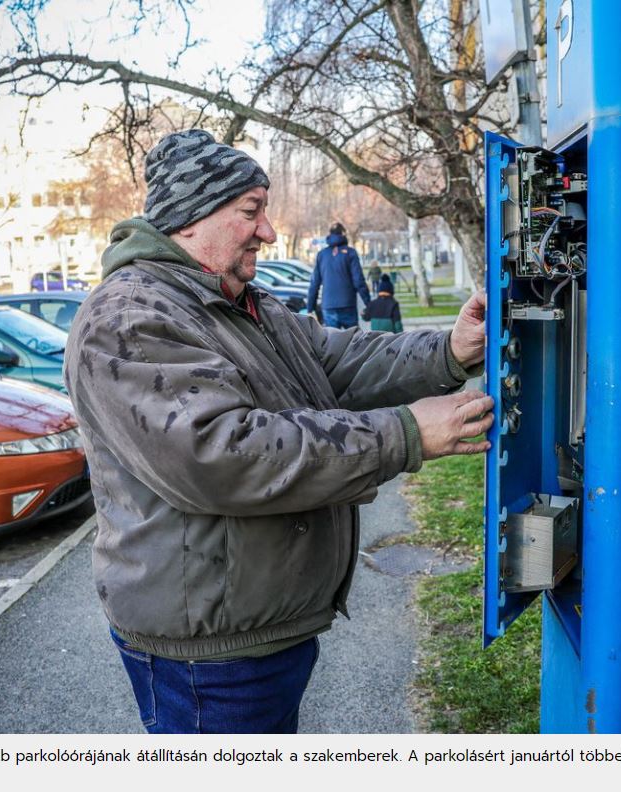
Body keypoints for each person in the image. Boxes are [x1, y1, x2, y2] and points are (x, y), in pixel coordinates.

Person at [63, 129, 492, 735]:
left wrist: (449, 349)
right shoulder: (130, 317)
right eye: (251, 212)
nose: (267, 231)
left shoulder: (240, 302)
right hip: (207, 657)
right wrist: (404, 434)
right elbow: (224, 454)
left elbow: (342, 359)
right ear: (190, 219)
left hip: (254, 634)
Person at [307, 221, 370, 328]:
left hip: (328, 305)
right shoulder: (351, 253)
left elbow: (315, 283)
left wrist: (310, 308)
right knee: (353, 341)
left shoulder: (322, 255)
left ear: (330, 235)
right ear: (343, 234)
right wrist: (368, 303)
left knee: (332, 341)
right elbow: (358, 281)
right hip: (348, 304)